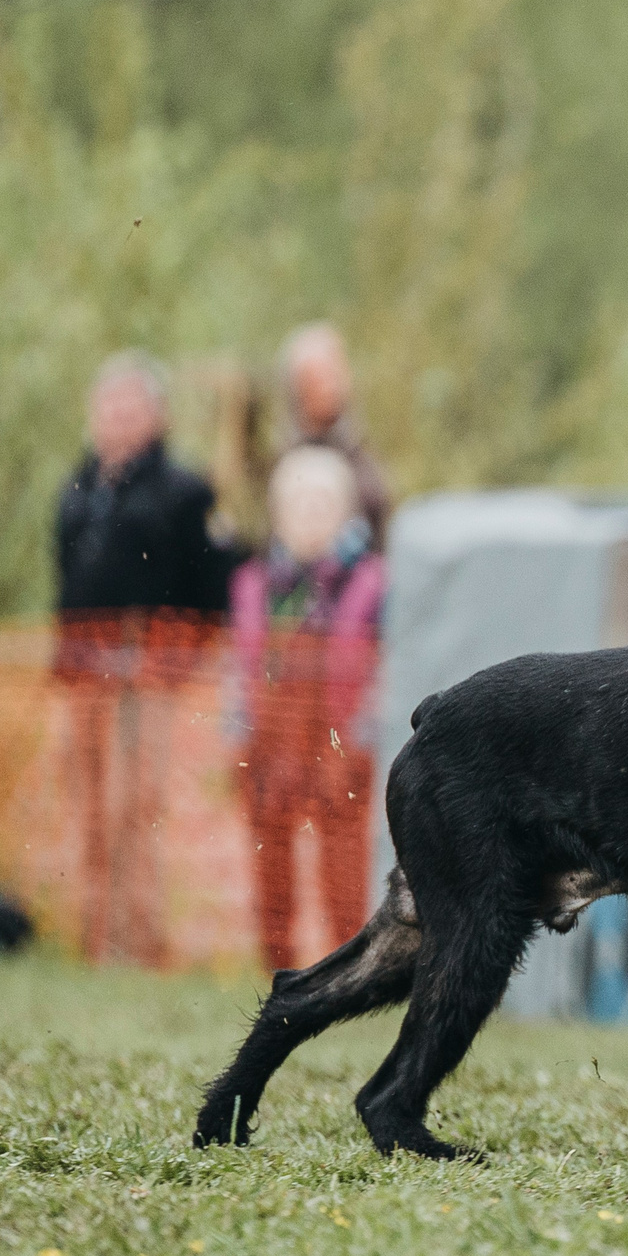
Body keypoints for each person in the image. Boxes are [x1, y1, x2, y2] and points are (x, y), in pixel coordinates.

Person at [54, 352, 230, 965]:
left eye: (130, 406)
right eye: (108, 406)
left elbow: (214, 592)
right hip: (84, 674)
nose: (117, 418)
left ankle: (142, 943)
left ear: (157, 416)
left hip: (152, 675)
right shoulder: (75, 489)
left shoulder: (184, 492)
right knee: (91, 809)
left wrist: (180, 664)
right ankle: (94, 938)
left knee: (140, 810)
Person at [228, 448, 385, 972]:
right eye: (297, 503)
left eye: (322, 502)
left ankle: (351, 968)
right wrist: (238, 733)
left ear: (346, 511)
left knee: (344, 860)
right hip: (270, 739)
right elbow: (238, 667)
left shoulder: (373, 582)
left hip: (341, 736)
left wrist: (367, 735)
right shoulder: (254, 584)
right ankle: (277, 971)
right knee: (268, 856)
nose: (309, 513)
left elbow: (388, 668)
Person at [277, 323, 392, 547]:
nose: (333, 387)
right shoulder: (285, 461)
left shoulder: (360, 451)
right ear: (296, 386)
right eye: (320, 378)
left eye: (336, 374)